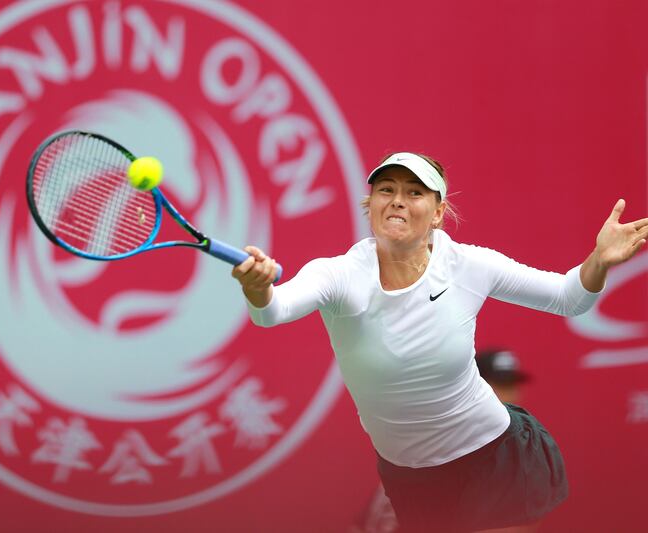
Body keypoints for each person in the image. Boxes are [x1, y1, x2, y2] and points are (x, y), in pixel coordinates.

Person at [231, 152, 648, 532]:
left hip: (492, 458)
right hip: (409, 477)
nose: (397, 200)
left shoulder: (469, 265)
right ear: (370, 204)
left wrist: (599, 259)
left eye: (414, 192)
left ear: (437, 213)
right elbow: (274, 310)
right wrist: (258, 287)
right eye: (386, 190)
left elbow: (567, 298)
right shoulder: (338, 275)